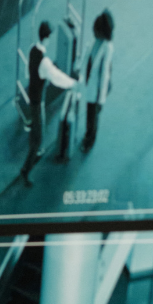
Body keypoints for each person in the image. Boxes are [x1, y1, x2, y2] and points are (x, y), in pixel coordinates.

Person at [17, 20, 77, 186]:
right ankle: (26, 171)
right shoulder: (44, 62)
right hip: (38, 102)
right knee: (38, 138)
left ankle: (34, 153)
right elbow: (56, 77)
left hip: (32, 98)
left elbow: (28, 73)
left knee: (36, 129)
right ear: (48, 37)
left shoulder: (32, 50)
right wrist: (72, 83)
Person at [83, 10, 114, 154]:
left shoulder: (107, 48)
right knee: (89, 114)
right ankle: (88, 134)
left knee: (93, 116)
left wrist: (101, 100)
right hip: (91, 87)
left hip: (97, 91)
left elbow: (104, 76)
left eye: (95, 31)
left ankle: (90, 140)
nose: (93, 33)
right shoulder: (95, 43)